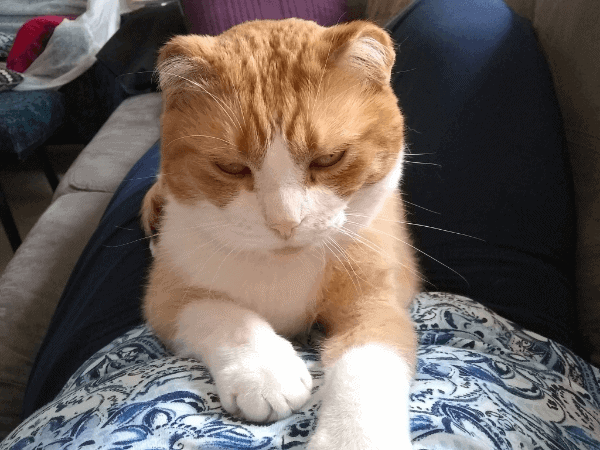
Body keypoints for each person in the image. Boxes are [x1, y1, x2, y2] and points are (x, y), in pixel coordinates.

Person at [22, 0, 579, 420]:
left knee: (164, 183)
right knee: (465, 23)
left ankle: (182, 174)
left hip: (98, 397)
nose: (285, 219)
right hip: (496, 360)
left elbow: (173, 297)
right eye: (235, 169)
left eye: (328, 159)